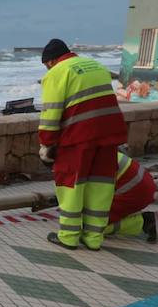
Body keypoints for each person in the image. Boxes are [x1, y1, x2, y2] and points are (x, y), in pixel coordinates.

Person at [37, 39, 127, 250]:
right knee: (100, 186)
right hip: (109, 134)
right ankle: (94, 239)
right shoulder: (96, 66)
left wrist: (47, 144)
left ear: (50, 61)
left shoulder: (57, 72)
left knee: (71, 184)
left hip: (79, 137)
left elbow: (51, 112)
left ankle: (68, 237)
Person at [104, 149, 158, 243]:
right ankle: (144, 221)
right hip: (141, 185)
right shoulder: (98, 153)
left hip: (135, 190)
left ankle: (145, 222)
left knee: (92, 225)